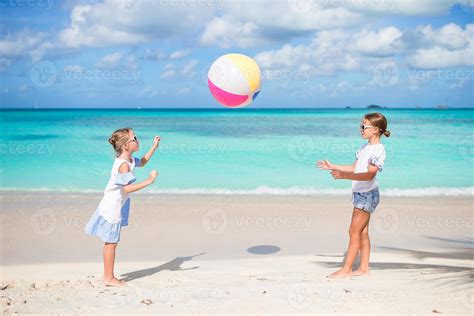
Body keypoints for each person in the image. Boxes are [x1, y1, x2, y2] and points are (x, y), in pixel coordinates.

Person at [317, 113, 390, 278]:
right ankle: (364, 269)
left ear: (376, 130)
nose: (361, 129)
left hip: (367, 195)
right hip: (361, 194)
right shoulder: (364, 148)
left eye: (364, 127)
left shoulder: (378, 150)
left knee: (353, 231)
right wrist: (333, 166)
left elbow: (369, 175)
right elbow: (355, 168)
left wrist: (344, 177)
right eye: (361, 126)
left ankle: (347, 269)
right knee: (362, 232)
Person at [85, 128, 160, 286]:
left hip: (117, 203)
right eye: (134, 138)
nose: (137, 140)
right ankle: (109, 277)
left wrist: (154, 147)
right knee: (111, 242)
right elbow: (125, 188)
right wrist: (149, 181)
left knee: (110, 242)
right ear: (126, 145)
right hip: (112, 206)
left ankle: (107, 275)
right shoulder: (123, 165)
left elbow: (143, 162)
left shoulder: (130, 160)